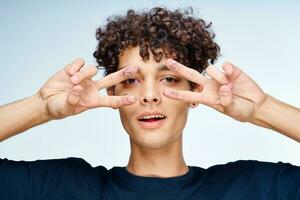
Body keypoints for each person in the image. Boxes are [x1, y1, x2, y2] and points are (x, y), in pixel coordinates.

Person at [0, 7, 299, 200]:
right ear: (113, 94)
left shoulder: (254, 188)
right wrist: (40, 106)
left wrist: (263, 109)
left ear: (194, 93)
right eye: (132, 80)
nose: (150, 95)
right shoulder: (60, 188)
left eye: (168, 79)